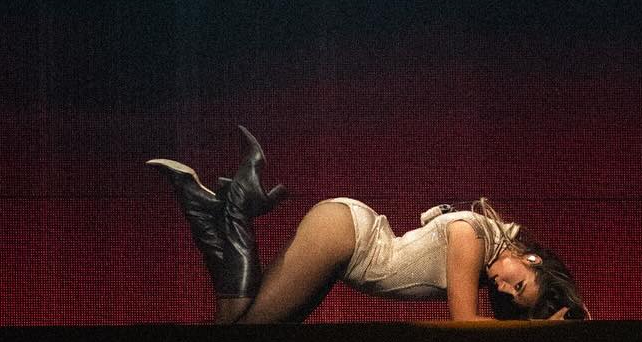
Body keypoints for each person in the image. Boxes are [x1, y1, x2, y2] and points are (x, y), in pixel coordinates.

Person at [148, 127, 588, 324]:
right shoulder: (473, 237)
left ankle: (215, 211)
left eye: (511, 297)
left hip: (345, 236)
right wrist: (536, 331)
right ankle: (229, 212)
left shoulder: (482, 242)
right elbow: (464, 322)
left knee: (242, 332)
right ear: (532, 259)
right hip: (346, 236)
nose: (504, 289)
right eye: (519, 284)